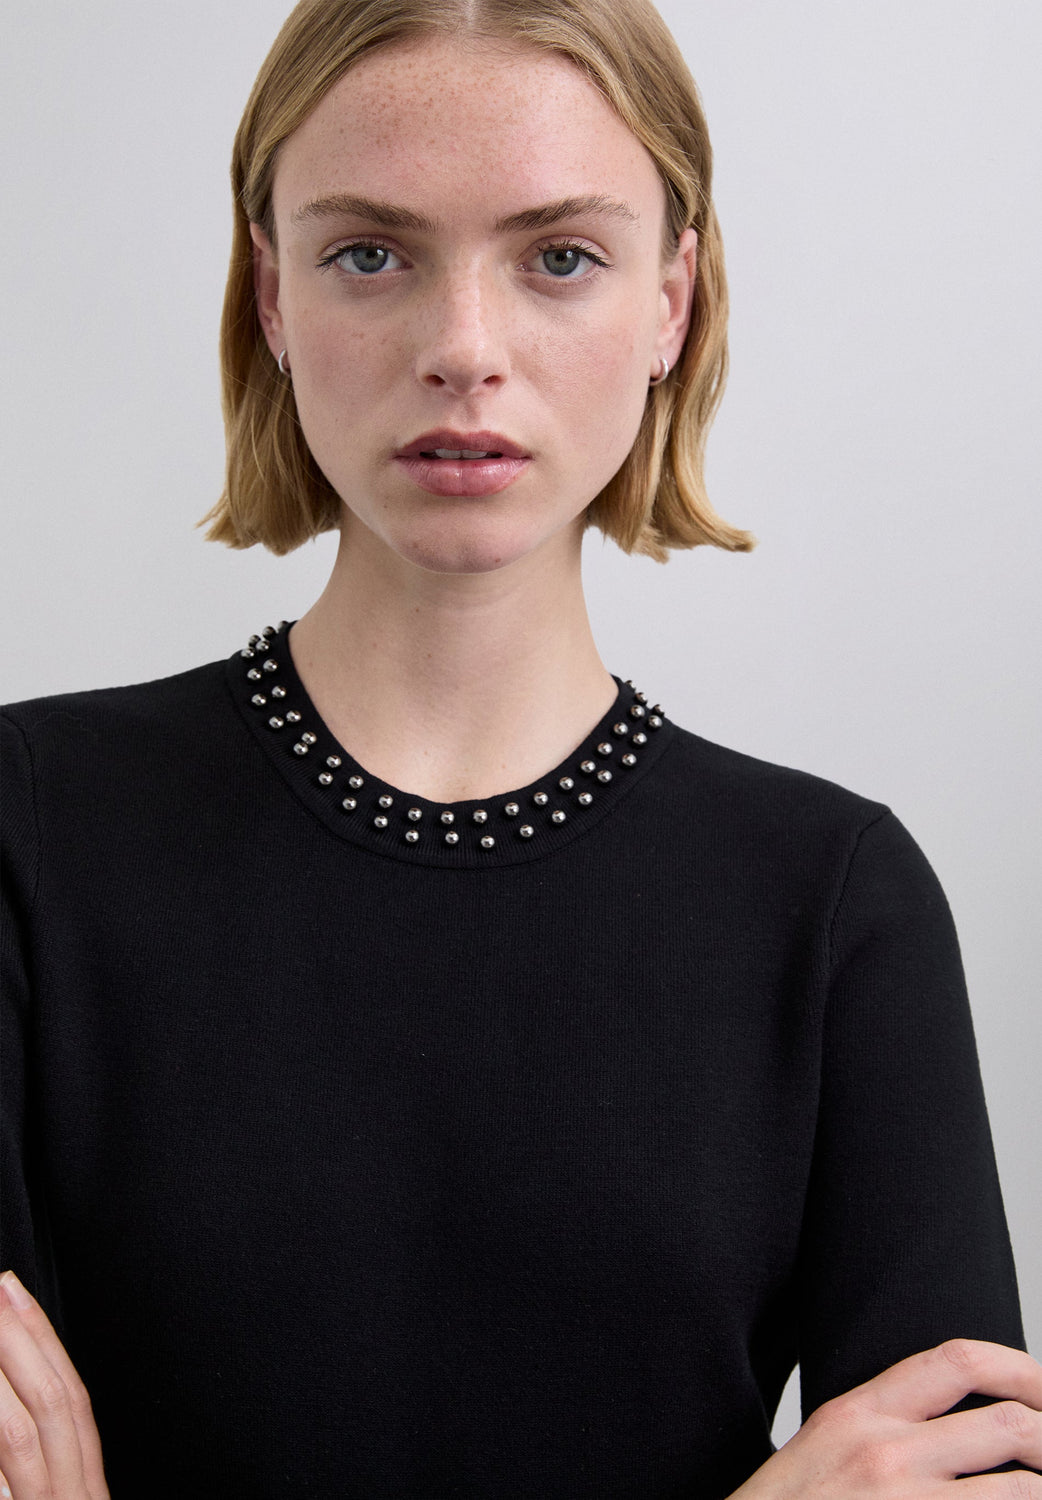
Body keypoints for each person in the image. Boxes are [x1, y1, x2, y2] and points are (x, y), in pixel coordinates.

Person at [1, 0, 1039, 1493]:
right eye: (372, 254)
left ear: (671, 301)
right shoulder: (28, 829)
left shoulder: (832, 902)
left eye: (558, 258)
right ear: (272, 293)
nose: (462, 350)